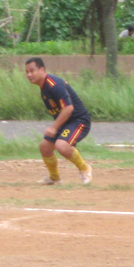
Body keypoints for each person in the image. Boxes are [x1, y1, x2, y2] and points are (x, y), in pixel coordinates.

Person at [24, 57, 92, 185]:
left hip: (79, 121)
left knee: (62, 146)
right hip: (66, 121)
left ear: (42, 69)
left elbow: (69, 108)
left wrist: (54, 127)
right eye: (27, 72)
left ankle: (85, 168)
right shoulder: (44, 87)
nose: (29, 75)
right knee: (45, 147)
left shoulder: (53, 85)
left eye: (32, 71)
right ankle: (54, 178)